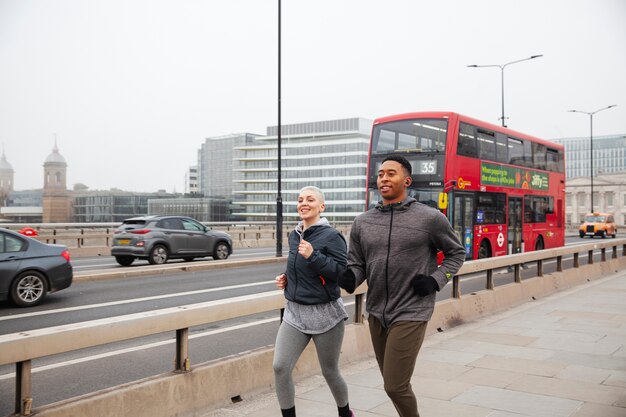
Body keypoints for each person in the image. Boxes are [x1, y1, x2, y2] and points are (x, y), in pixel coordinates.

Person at [340, 155, 465, 417]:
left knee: (395, 386)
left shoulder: (429, 218)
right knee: (392, 384)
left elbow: (457, 254)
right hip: (376, 313)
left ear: (406, 180)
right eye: (380, 174)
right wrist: (350, 278)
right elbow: (357, 264)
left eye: (391, 174)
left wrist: (435, 280)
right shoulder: (363, 222)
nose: (383, 178)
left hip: (411, 311)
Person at [273, 186, 355, 417]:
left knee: (329, 371)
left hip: (325, 314)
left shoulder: (333, 237)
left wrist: (314, 256)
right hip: (295, 312)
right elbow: (299, 269)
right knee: (280, 367)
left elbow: (342, 276)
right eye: (300, 200)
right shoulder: (294, 235)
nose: (304, 203)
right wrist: (286, 279)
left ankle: (345, 413)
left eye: (310, 199)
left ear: (322, 207)